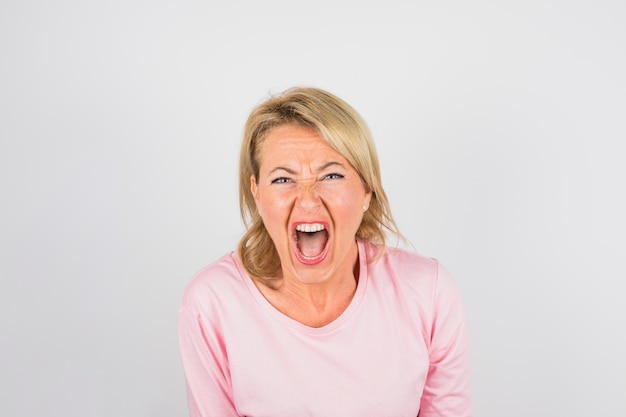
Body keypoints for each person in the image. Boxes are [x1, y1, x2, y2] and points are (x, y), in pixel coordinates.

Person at [177, 87, 472, 416]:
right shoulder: (212, 302)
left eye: (331, 175)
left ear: (366, 191)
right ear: (256, 192)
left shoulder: (428, 292)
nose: (306, 199)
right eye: (283, 179)